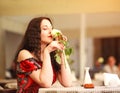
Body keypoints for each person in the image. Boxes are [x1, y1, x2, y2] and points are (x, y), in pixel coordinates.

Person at [14, 17, 72, 93]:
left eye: (51, 28)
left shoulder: (52, 55)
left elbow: (67, 83)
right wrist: (47, 52)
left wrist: (61, 50)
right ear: (35, 33)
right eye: (45, 29)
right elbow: (46, 83)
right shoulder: (24, 54)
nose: (50, 31)